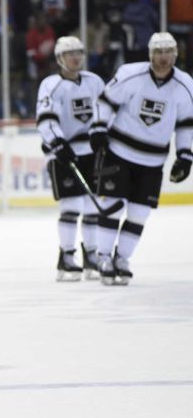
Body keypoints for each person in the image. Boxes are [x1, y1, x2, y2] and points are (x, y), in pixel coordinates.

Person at [92, 32, 193, 286]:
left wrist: (185, 154)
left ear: (176, 54)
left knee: (139, 214)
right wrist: (99, 129)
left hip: (153, 161)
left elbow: (185, 124)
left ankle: (122, 259)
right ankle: (103, 257)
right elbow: (105, 102)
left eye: (168, 52)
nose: (163, 58)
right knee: (113, 206)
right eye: (158, 52)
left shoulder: (186, 85)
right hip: (120, 153)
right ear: (150, 54)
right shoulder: (129, 74)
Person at [36, 36, 106, 282]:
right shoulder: (51, 85)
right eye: (69, 54)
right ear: (59, 59)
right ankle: (66, 258)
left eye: (79, 52)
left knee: (91, 207)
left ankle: (91, 256)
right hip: (63, 153)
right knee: (70, 207)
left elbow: (106, 111)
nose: (75, 57)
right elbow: (45, 118)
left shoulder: (94, 82)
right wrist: (57, 142)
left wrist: (103, 134)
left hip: (91, 152)